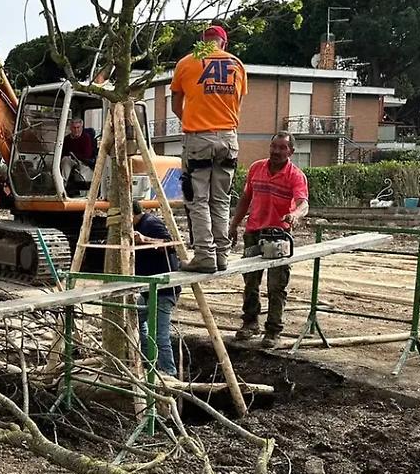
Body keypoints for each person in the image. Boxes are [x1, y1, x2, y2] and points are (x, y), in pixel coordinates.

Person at [171, 25, 248, 272]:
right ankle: (222, 255)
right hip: (229, 139)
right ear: (223, 44)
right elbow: (237, 104)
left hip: (199, 140)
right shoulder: (237, 65)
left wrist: (194, 123)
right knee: (221, 200)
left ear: (202, 41)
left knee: (198, 200)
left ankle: (205, 256)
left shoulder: (186, 63)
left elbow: (175, 104)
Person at [228, 132, 309, 349]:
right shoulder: (256, 168)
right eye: (274, 146)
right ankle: (250, 322)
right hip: (254, 231)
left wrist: (295, 215)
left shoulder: (295, 175)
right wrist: (234, 224)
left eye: (282, 148)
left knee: (277, 285)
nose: (276, 151)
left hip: (278, 235)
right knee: (250, 282)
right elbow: (246, 198)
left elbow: (303, 203)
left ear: (291, 151)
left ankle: (273, 330)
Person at [132, 200, 181, 374]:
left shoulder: (151, 223)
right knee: (135, 319)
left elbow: (170, 244)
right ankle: (147, 362)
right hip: (148, 289)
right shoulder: (140, 225)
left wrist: (144, 240)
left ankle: (170, 374)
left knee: (160, 336)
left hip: (163, 290)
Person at [61, 118, 97, 187]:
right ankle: (62, 185)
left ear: (81, 128)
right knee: (65, 160)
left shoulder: (86, 138)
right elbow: (63, 153)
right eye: (74, 128)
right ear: (70, 128)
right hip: (69, 160)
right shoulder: (66, 139)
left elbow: (87, 155)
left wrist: (74, 155)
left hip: (83, 162)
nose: (76, 130)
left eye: (78, 127)